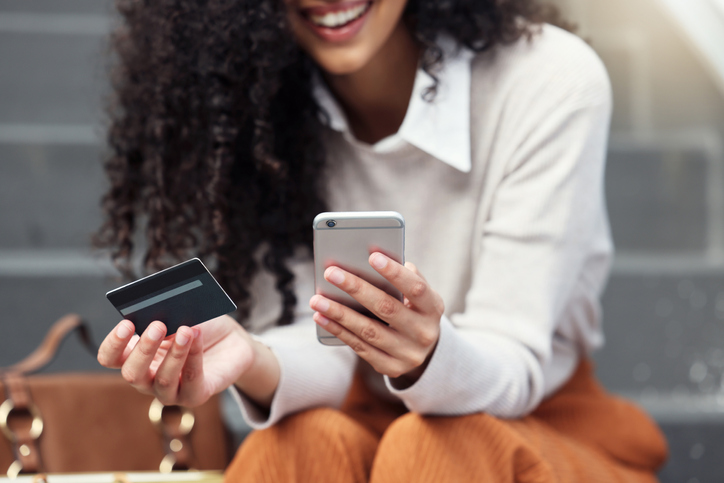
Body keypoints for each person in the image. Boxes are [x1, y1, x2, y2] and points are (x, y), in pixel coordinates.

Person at [95, 0, 668, 481]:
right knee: (290, 450)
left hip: (537, 422)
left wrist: (426, 356)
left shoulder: (550, 79)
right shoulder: (264, 106)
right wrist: (252, 355)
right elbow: (326, 353)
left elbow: (514, 364)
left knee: (431, 452)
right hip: (361, 418)